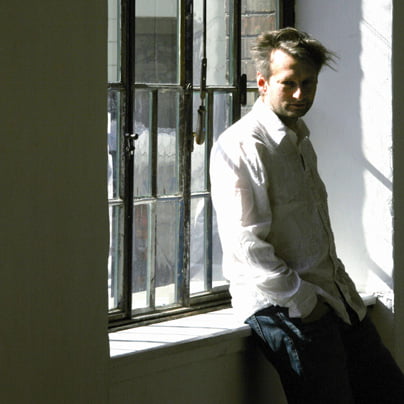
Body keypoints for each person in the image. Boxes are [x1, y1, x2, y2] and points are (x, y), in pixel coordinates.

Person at [210, 27, 404, 404]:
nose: (300, 94)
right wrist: (305, 303)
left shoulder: (299, 139)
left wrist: (334, 295)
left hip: (336, 300)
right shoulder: (243, 145)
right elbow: (246, 246)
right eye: (289, 83)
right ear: (263, 83)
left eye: (308, 83)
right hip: (288, 308)